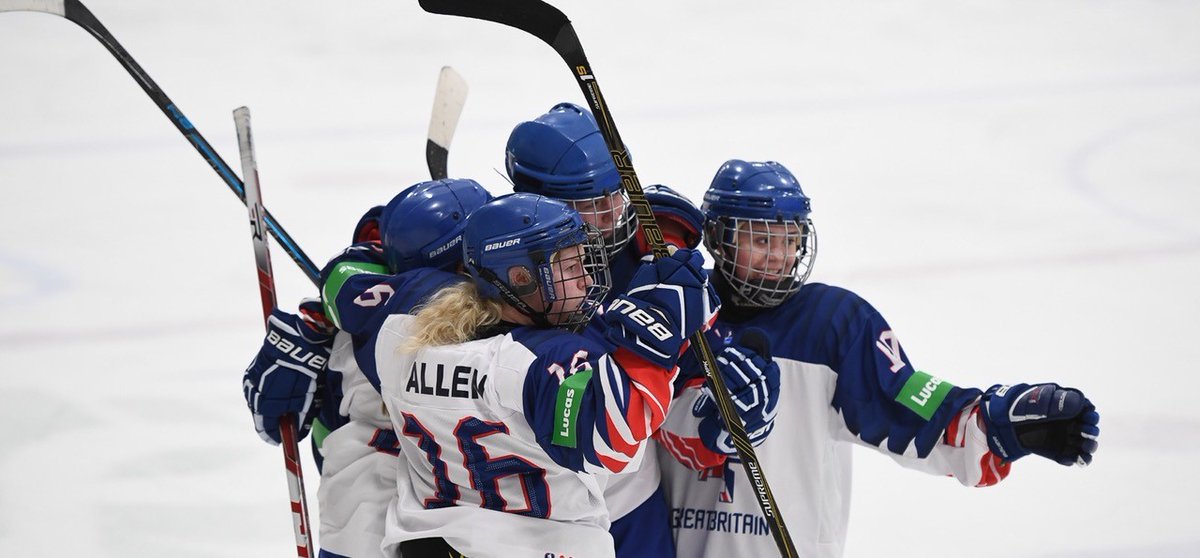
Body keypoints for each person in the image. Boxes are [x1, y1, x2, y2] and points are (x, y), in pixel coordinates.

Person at [657, 159, 1102, 558]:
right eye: (760, 239)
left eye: (789, 239)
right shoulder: (678, 313)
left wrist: (996, 423)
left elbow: (908, 406)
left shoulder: (834, 325)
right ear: (717, 238)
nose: (778, 255)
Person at [360, 193, 715, 558]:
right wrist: (657, 330)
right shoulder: (540, 362)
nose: (586, 279)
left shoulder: (396, 336)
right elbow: (616, 439)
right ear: (521, 278)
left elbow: (357, 296)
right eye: (571, 267)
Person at [504, 103, 782, 557]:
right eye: (593, 206)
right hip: (529, 516)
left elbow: (690, 379)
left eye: (616, 195)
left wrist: (720, 417)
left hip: (629, 507)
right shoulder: (501, 259)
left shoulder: (649, 258)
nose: (614, 215)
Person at [243, 177, 493, 558]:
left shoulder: (358, 305)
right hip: (381, 506)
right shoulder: (424, 326)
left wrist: (320, 321)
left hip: (382, 503)